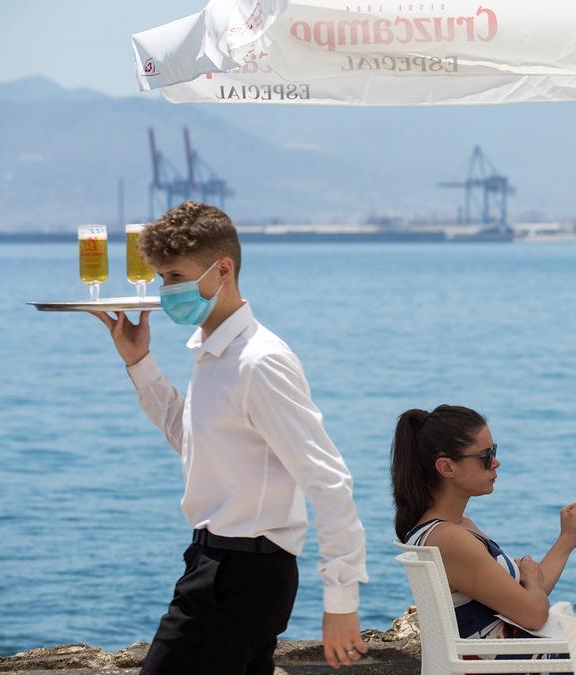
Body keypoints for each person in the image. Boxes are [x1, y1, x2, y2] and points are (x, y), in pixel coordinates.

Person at [90, 201, 369, 673]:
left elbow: (328, 478)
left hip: (243, 571)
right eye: (161, 278)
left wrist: (341, 601)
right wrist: (139, 362)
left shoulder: (259, 361)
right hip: (214, 561)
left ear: (223, 270)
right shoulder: (213, 352)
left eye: (176, 276)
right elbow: (190, 438)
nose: (165, 291)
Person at [392, 404, 576, 652]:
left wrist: (566, 540)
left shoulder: (456, 527)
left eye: (493, 451)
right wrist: (532, 583)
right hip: (508, 664)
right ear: (447, 467)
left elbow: (521, 602)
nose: (496, 462)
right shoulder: (448, 538)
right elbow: (535, 614)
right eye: (485, 456)